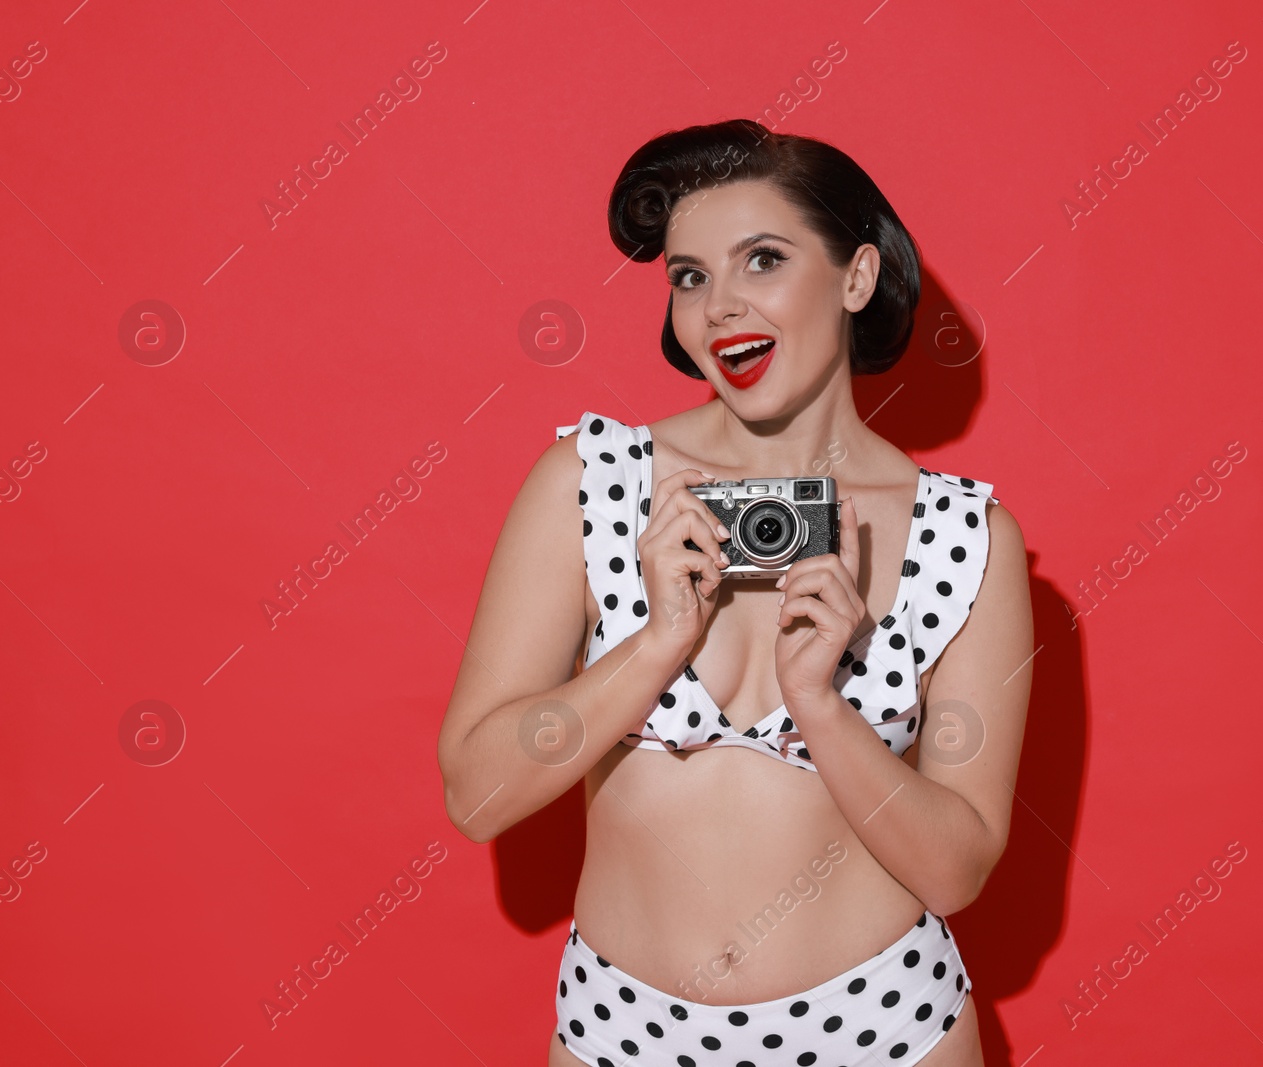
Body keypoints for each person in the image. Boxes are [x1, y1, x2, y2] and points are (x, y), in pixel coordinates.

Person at [437, 118, 1034, 1066]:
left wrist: (822, 705)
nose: (719, 307)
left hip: (884, 1032)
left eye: (762, 260)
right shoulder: (592, 483)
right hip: (624, 1035)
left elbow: (958, 869)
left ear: (856, 277)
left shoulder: (965, 538)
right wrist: (656, 643)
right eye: (690, 276)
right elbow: (477, 794)